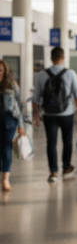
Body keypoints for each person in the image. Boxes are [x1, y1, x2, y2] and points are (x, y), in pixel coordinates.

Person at [32, 47, 77, 182]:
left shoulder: (42, 74)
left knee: (51, 142)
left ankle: (53, 172)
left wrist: (36, 115)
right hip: (67, 113)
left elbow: (35, 98)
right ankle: (66, 167)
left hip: (48, 114)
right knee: (67, 141)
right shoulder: (70, 73)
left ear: (51, 59)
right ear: (63, 58)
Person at [0, 60, 26, 192]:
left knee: (6, 149)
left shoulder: (12, 85)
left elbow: (18, 106)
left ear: (5, 72)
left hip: (9, 121)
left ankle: (5, 180)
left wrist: (21, 125)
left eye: (0, 70)